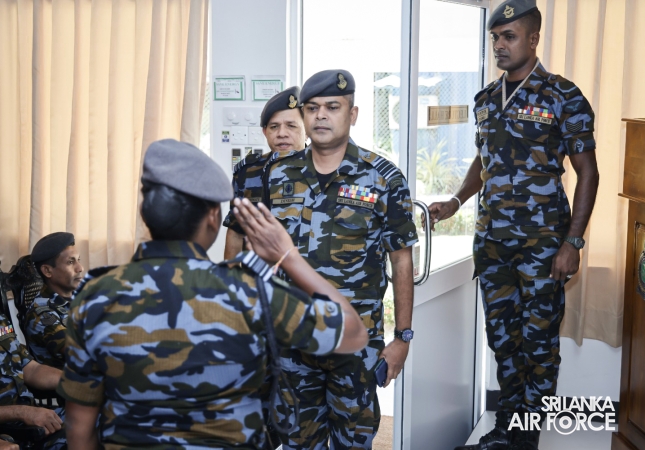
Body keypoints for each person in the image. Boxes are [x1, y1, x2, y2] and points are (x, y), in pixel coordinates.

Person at [57, 139, 368, 450]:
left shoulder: (95, 297)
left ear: (146, 215)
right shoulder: (250, 293)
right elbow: (352, 333)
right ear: (212, 216)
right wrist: (288, 256)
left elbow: (80, 430)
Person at [429, 2, 599, 449]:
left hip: (544, 245)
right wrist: (455, 201)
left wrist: (573, 242)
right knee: (503, 340)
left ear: (533, 39)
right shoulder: (485, 99)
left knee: (538, 346)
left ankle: (526, 440)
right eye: (495, 38)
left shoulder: (563, 95)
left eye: (509, 36)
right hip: (493, 243)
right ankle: (506, 431)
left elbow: (588, 172)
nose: (499, 46)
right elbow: (484, 160)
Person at [264, 70, 418, 449]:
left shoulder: (382, 179)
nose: (321, 116)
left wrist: (402, 338)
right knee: (299, 442)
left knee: (353, 442)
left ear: (353, 114)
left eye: (332, 107)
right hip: (293, 342)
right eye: (312, 108)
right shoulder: (279, 175)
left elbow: (401, 262)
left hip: (355, 344)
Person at [224, 86, 307, 259]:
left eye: (291, 126)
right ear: (264, 132)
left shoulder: (322, 168)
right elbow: (236, 231)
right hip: (259, 272)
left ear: (307, 130)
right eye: (274, 127)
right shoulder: (248, 172)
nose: (282, 133)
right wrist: (230, 274)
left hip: (306, 273)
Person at [0, 312, 65, 449]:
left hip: (33, 417)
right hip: (9, 431)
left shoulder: (1, 320)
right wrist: (22, 412)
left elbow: (30, 369)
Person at [25, 232, 84, 369]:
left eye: (78, 260)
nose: (80, 268)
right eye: (70, 262)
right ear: (47, 271)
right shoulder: (43, 314)